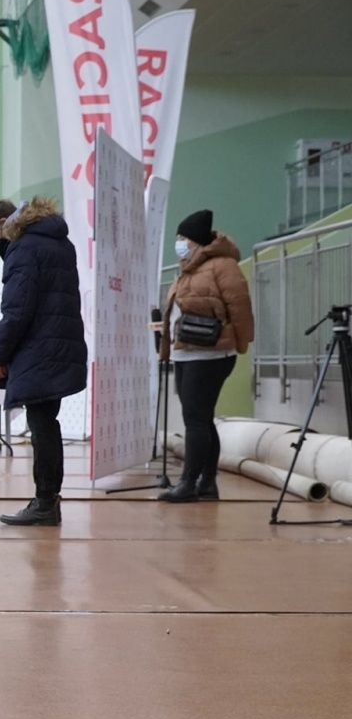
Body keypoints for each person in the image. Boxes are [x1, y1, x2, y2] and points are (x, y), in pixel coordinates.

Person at [0, 197, 88, 527]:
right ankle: (47, 500)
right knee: (46, 423)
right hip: (57, 343)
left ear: (4, 222)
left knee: (42, 426)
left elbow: (17, 310)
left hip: (39, 349)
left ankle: (45, 502)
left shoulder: (24, 249)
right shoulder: (58, 242)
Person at [159, 209, 254, 502]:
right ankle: (207, 482)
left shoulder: (222, 266)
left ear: (196, 240)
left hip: (211, 353)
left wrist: (239, 342)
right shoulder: (189, 266)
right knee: (200, 418)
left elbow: (239, 306)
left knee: (195, 420)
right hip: (187, 352)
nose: (179, 243)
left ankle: (188, 483)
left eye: (183, 238)